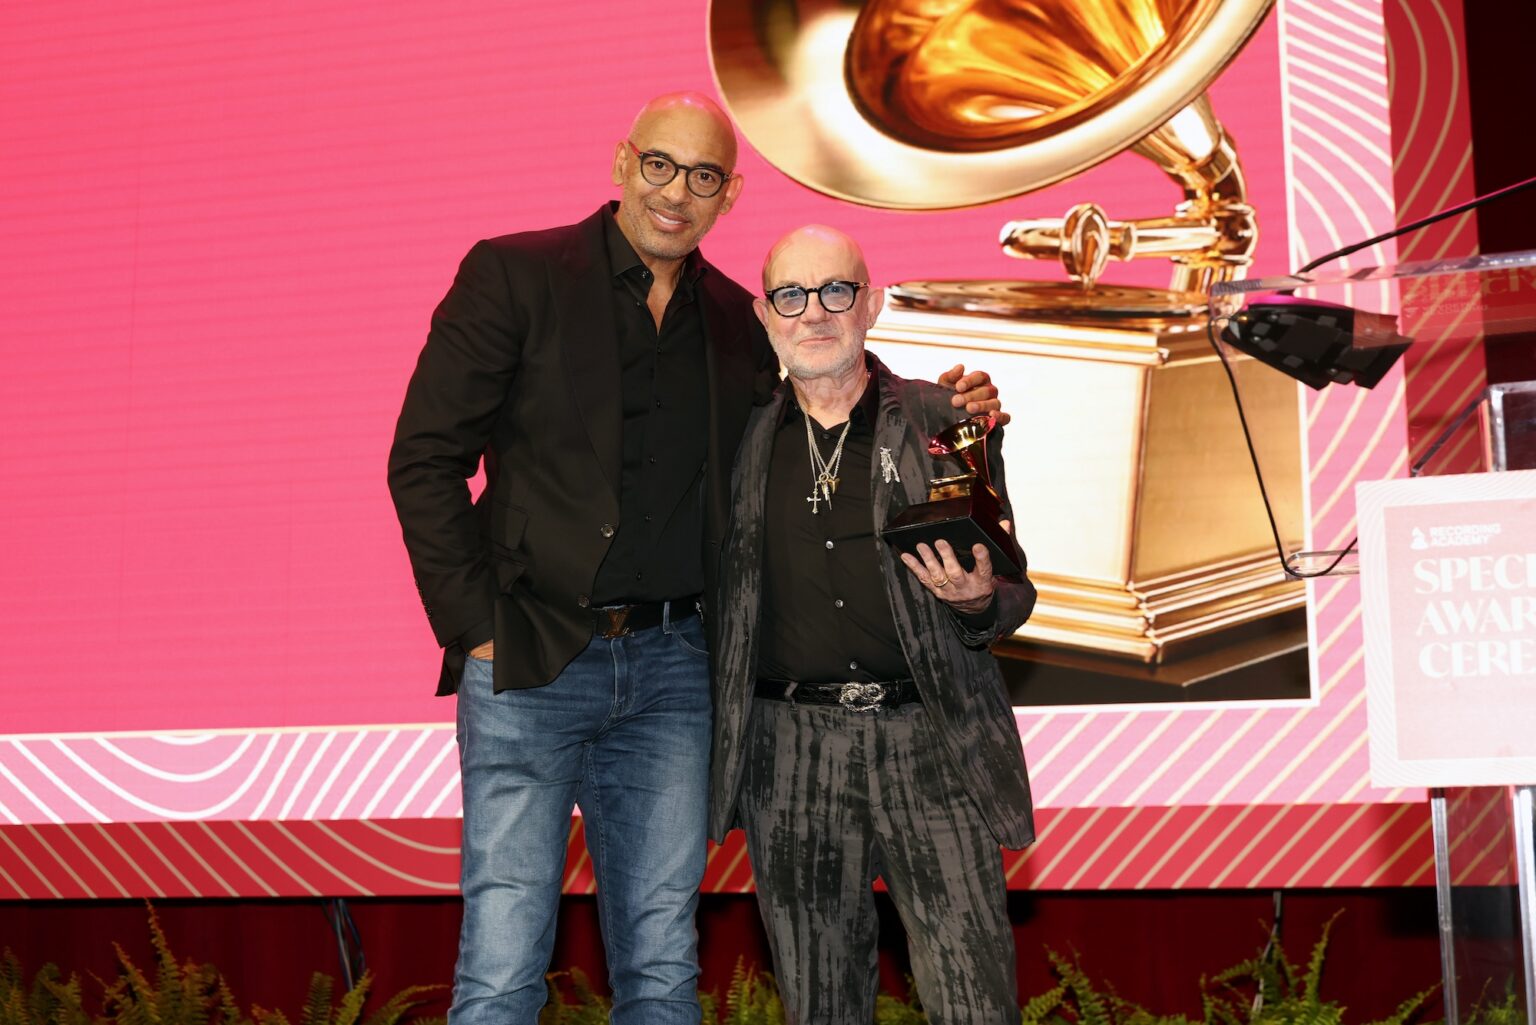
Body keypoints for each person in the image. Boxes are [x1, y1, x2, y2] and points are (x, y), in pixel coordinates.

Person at [386, 94, 1003, 1025]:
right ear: (623, 163)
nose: (677, 192)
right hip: (528, 661)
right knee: (503, 963)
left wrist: (945, 400)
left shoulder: (734, 319)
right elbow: (424, 457)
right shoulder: (514, 274)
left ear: (729, 195)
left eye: (704, 177)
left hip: (678, 674)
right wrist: (475, 628)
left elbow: (827, 385)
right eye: (661, 166)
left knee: (664, 962)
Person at [708, 225, 1038, 1025]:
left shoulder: (945, 418)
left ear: (873, 303)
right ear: (764, 314)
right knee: (819, 1002)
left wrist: (973, 604)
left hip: (934, 744)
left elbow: (1015, 589)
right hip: (786, 751)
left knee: (974, 998)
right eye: (792, 294)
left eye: (836, 291)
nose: (814, 312)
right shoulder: (731, 437)